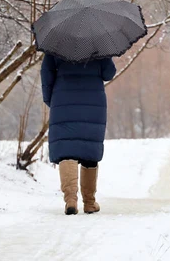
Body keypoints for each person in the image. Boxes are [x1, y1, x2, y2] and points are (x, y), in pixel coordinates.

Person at [40, 53, 116, 215]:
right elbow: (108, 73)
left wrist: (50, 100)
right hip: (93, 102)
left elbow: (46, 74)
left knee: (66, 150)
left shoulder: (56, 43)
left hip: (63, 100)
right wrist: (106, 56)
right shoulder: (98, 44)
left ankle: (70, 200)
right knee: (89, 151)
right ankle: (89, 202)